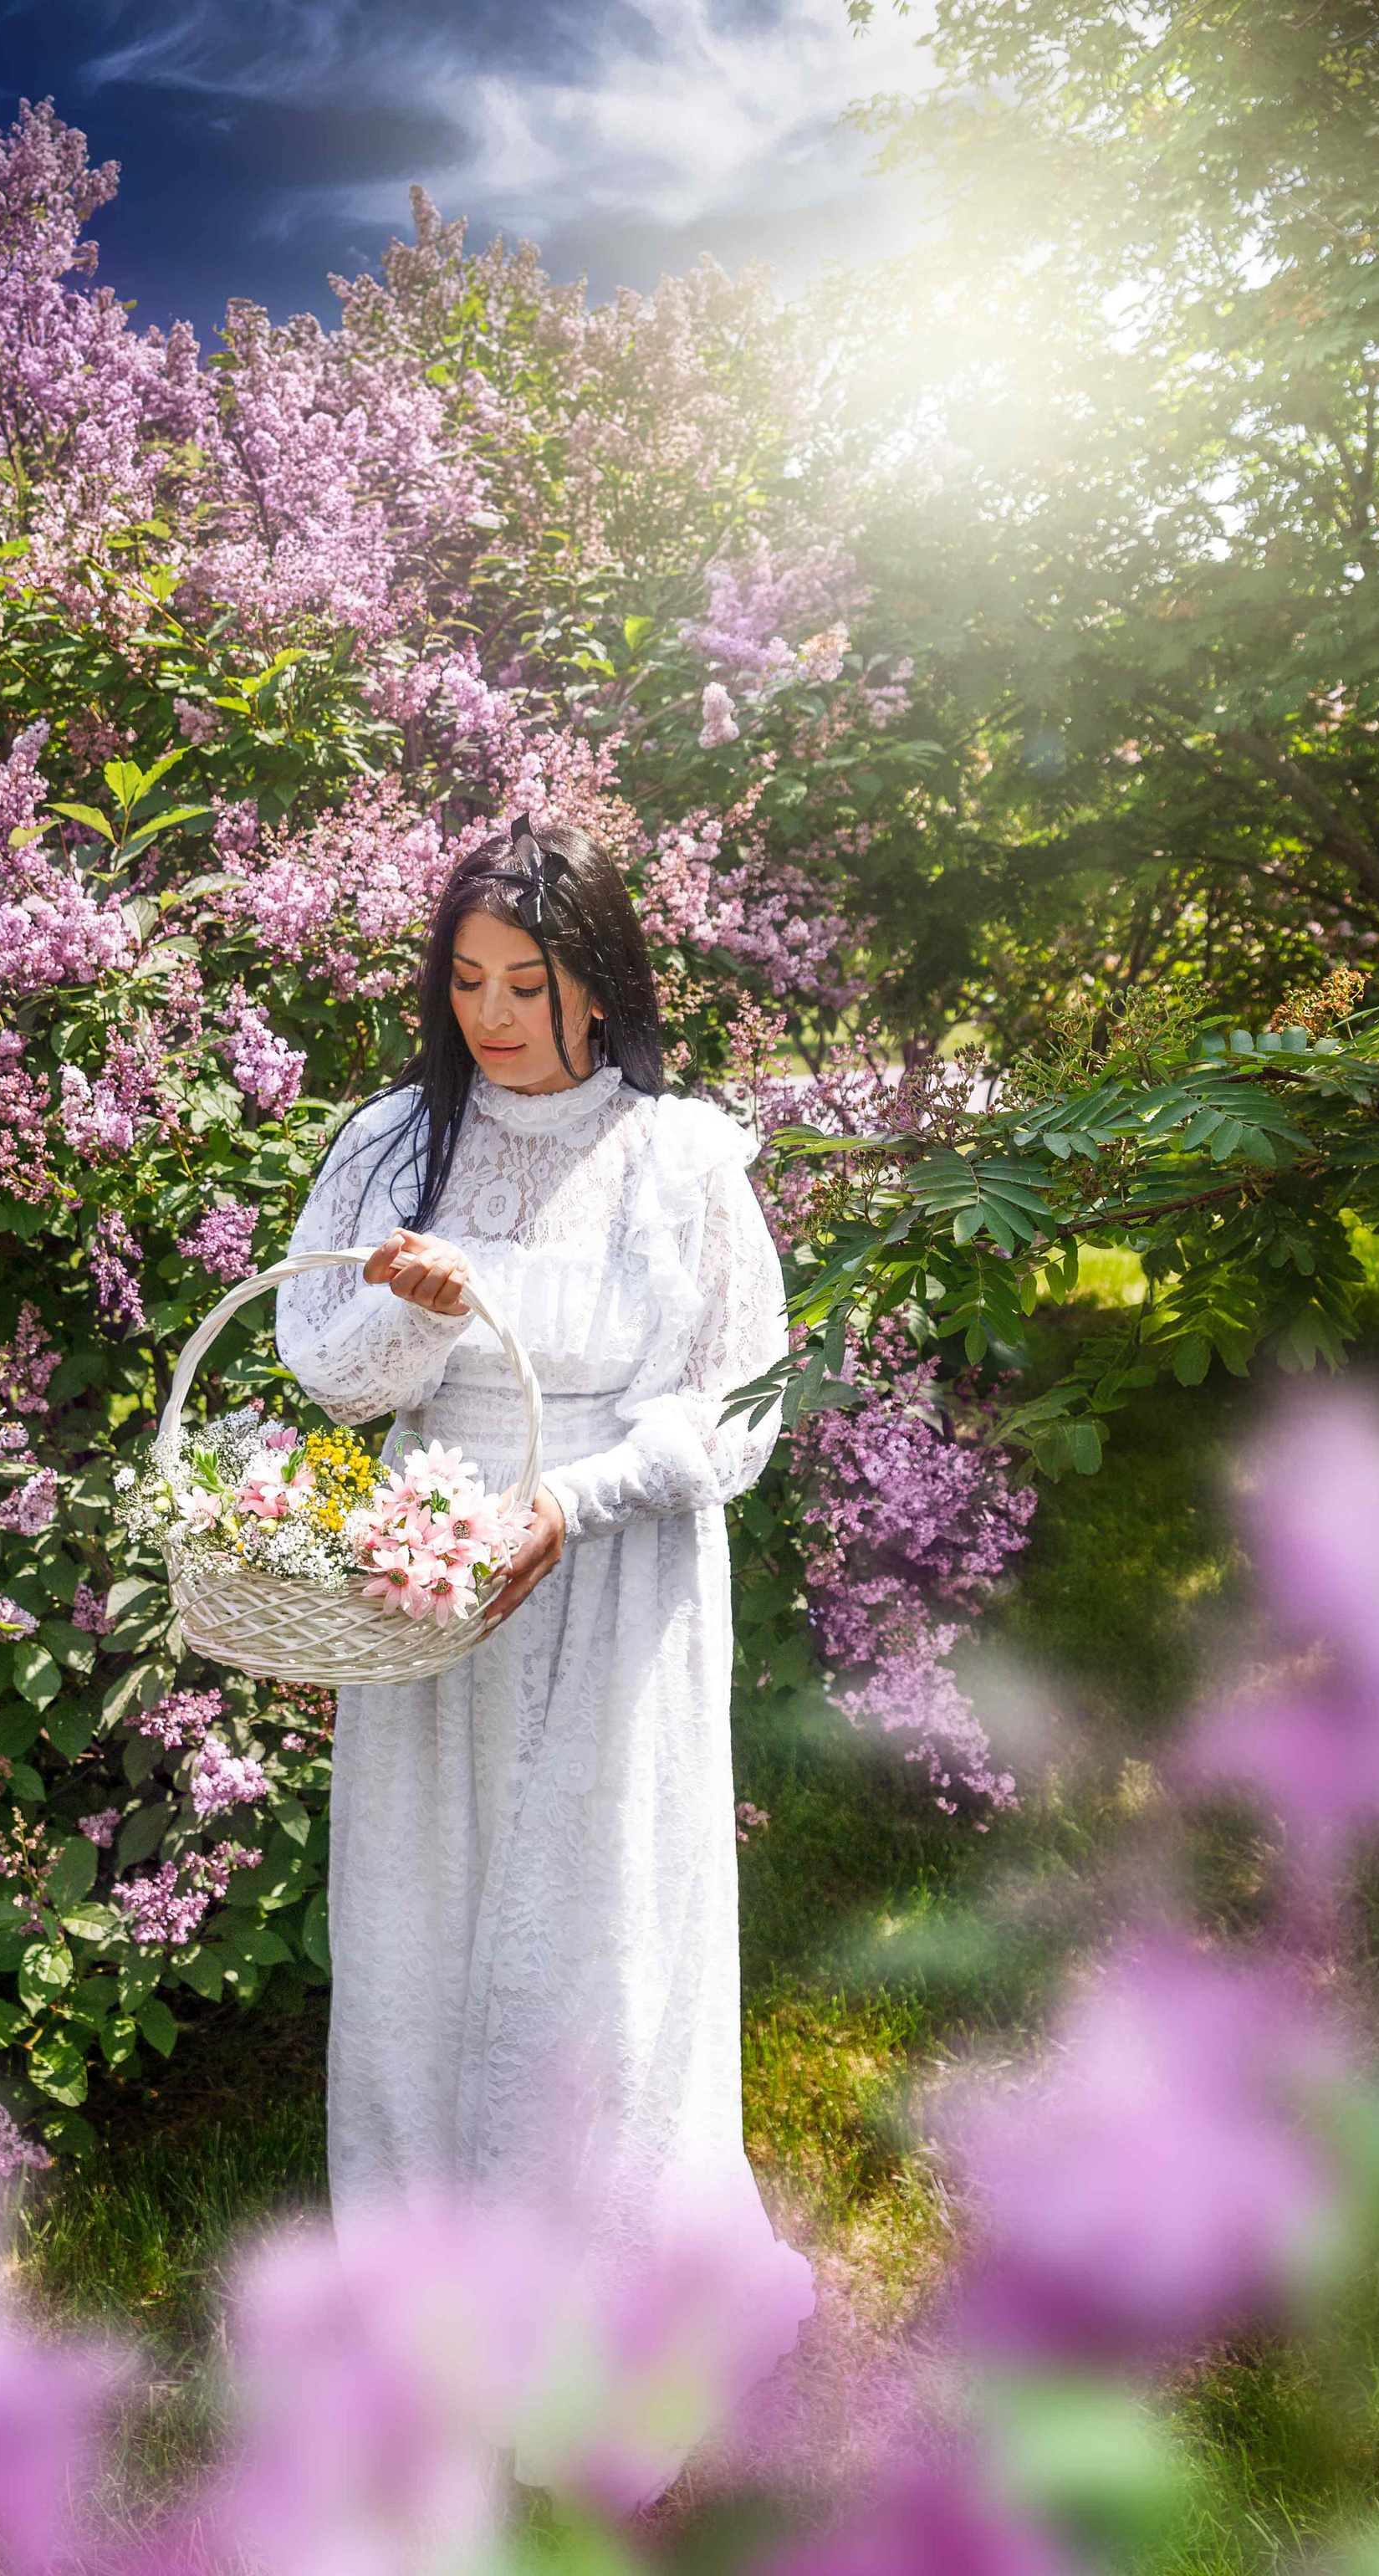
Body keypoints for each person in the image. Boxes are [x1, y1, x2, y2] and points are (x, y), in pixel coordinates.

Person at [274, 815, 815, 2492]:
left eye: (530, 980)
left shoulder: (679, 1161)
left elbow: (734, 1409)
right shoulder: (393, 1143)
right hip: (437, 1573)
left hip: (613, 1577)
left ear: (599, 979)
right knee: (417, 1932)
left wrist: (564, 1507)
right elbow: (323, 1367)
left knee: (594, 1949)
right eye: (467, 981)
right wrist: (418, 1311)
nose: (496, 1015)